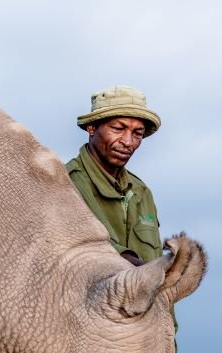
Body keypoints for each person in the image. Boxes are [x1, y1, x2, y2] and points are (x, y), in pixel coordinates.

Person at [67, 85, 163, 267]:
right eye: (118, 128)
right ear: (91, 128)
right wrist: (148, 272)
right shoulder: (65, 183)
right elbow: (90, 252)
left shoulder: (142, 192)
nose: (128, 142)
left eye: (137, 133)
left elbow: (156, 262)